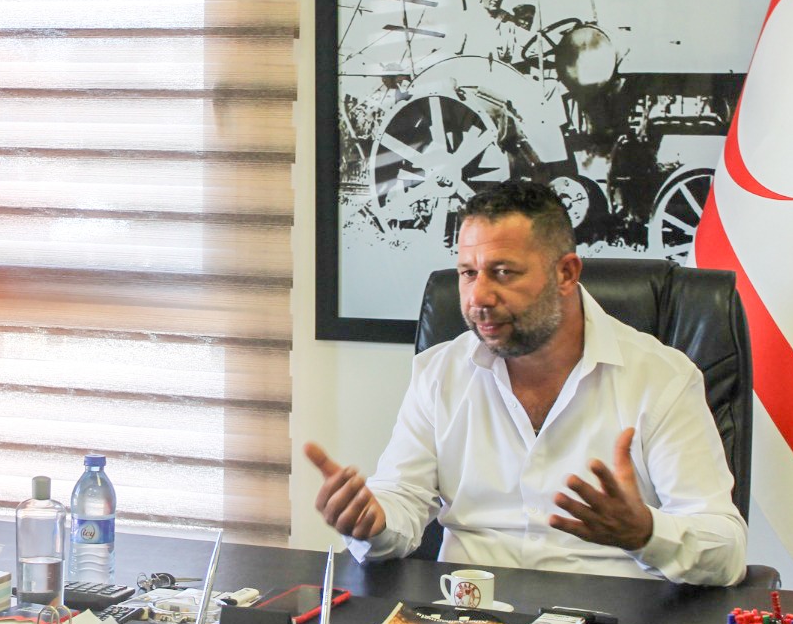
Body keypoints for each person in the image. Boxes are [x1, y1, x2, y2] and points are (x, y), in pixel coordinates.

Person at [306, 180, 747, 585]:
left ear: (566, 273)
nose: (478, 297)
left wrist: (646, 533)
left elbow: (726, 552)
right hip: (465, 621)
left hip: (611, 621)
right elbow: (401, 499)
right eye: (468, 273)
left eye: (503, 272)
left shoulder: (661, 378)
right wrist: (372, 522)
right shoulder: (440, 372)